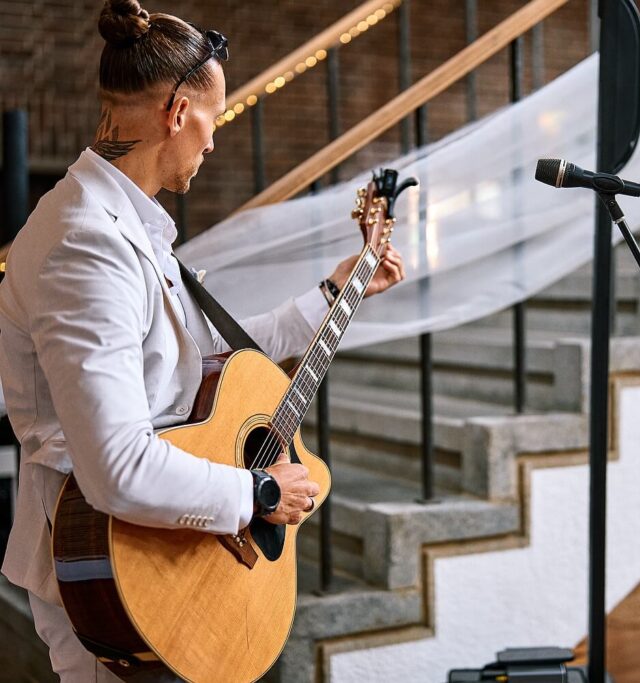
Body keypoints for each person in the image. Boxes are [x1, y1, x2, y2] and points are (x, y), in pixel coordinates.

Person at [0, 1, 406, 679]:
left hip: (164, 545)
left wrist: (341, 290)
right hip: (116, 566)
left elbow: (223, 360)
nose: (214, 141)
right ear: (178, 112)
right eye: (213, 120)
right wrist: (262, 494)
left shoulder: (131, 226)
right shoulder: (86, 242)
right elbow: (118, 467)